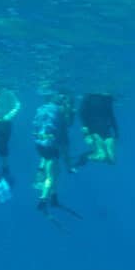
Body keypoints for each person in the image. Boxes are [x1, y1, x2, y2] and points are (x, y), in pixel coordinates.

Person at [32, 92, 81, 225]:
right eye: (70, 105)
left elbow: (38, 127)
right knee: (52, 175)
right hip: (50, 147)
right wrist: (69, 167)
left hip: (39, 144)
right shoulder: (60, 115)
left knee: (52, 169)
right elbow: (65, 147)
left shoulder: (43, 108)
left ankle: (53, 197)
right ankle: (43, 200)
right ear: (64, 103)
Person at [74, 93, 118, 169]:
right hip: (97, 130)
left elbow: (111, 116)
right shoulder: (90, 97)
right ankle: (87, 156)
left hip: (103, 130)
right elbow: (82, 113)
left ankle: (90, 155)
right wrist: (86, 131)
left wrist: (116, 130)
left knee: (109, 158)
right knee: (105, 156)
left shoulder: (107, 99)